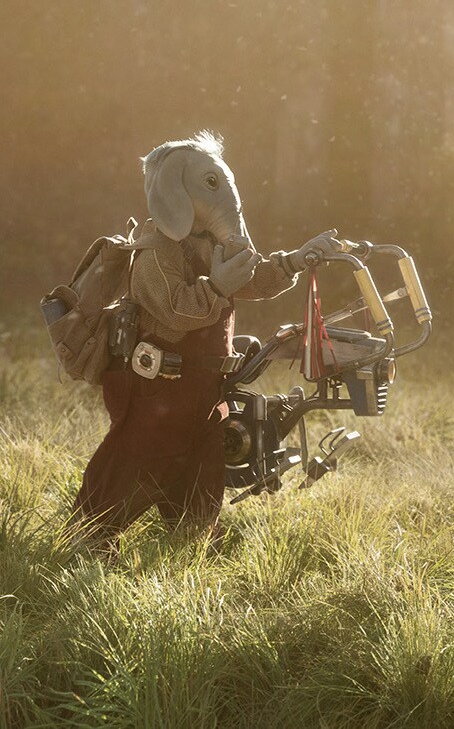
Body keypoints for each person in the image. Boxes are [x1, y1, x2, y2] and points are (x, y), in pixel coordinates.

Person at [72, 132, 343, 551]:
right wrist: (216, 288)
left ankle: (192, 540)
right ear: (174, 193)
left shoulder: (207, 244)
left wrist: (292, 260)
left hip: (204, 388)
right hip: (157, 387)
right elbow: (174, 311)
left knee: (201, 464)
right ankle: (89, 537)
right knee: (138, 457)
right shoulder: (155, 252)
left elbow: (250, 277)